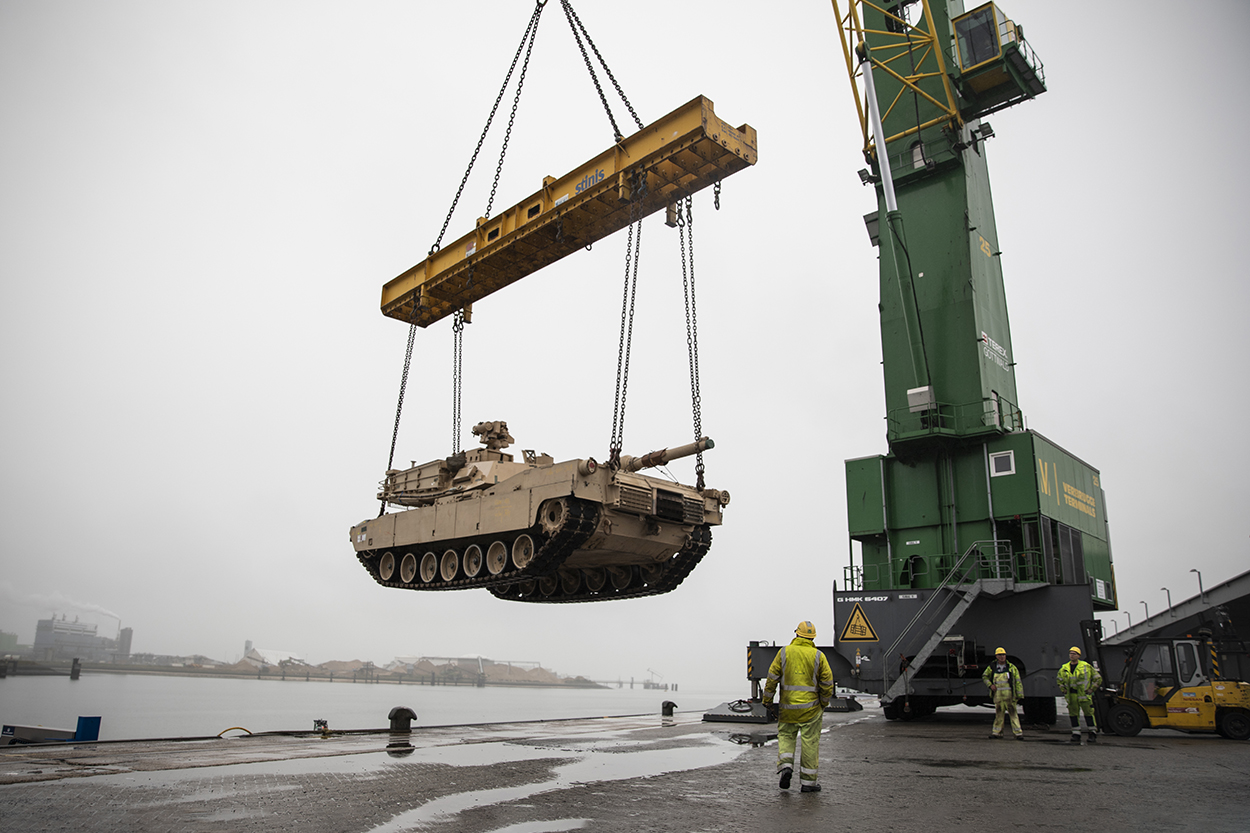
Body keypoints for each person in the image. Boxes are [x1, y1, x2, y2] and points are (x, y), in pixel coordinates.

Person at [762, 620, 834, 793]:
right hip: (811, 710)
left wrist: (768, 701)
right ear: (812, 637)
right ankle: (808, 784)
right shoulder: (818, 656)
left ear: (796, 634)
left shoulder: (784, 652)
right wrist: (823, 703)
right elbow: (827, 683)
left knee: (786, 736)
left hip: (787, 708)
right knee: (810, 742)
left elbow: (772, 678)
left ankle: (786, 767)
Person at [1057, 645, 1102, 743]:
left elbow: (1097, 678)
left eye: (1074, 654)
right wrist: (1063, 689)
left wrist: (1092, 689)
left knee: (1089, 714)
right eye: (1070, 654)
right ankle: (1076, 734)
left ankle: (1092, 733)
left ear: (1078, 655)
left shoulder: (1086, 666)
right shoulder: (1064, 668)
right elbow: (1059, 680)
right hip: (1071, 695)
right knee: (1073, 715)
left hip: (1084, 695)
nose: (1071, 656)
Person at [981, 647, 1024, 739]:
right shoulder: (992, 667)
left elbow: (1018, 681)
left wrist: (1019, 694)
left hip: (1009, 696)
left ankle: (1018, 734)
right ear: (996, 656)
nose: (1002, 657)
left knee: (1013, 714)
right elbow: (984, 676)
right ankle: (997, 733)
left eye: (1003, 655)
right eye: (1000, 655)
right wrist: (990, 685)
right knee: (999, 714)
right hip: (998, 696)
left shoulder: (1012, 668)